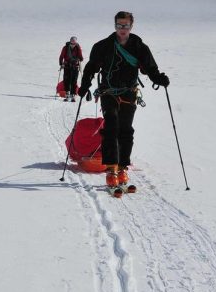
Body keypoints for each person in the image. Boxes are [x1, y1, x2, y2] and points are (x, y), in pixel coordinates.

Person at [79, 11, 169, 189]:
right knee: (111, 125)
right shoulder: (103, 46)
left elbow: (150, 68)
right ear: (115, 26)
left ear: (131, 26)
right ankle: (111, 169)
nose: (122, 29)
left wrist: (159, 78)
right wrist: (84, 85)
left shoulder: (139, 47)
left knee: (126, 130)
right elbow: (91, 68)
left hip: (129, 92)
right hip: (108, 92)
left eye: (125, 25)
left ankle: (123, 168)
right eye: (119, 25)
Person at [59, 36, 83, 101]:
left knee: (74, 81)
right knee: (67, 80)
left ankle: (73, 95)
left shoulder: (78, 48)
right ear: (70, 42)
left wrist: (79, 59)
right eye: (72, 43)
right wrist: (61, 63)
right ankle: (67, 94)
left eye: (74, 43)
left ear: (76, 43)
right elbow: (61, 56)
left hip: (75, 67)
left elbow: (81, 57)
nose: (73, 45)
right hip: (67, 66)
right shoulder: (65, 48)